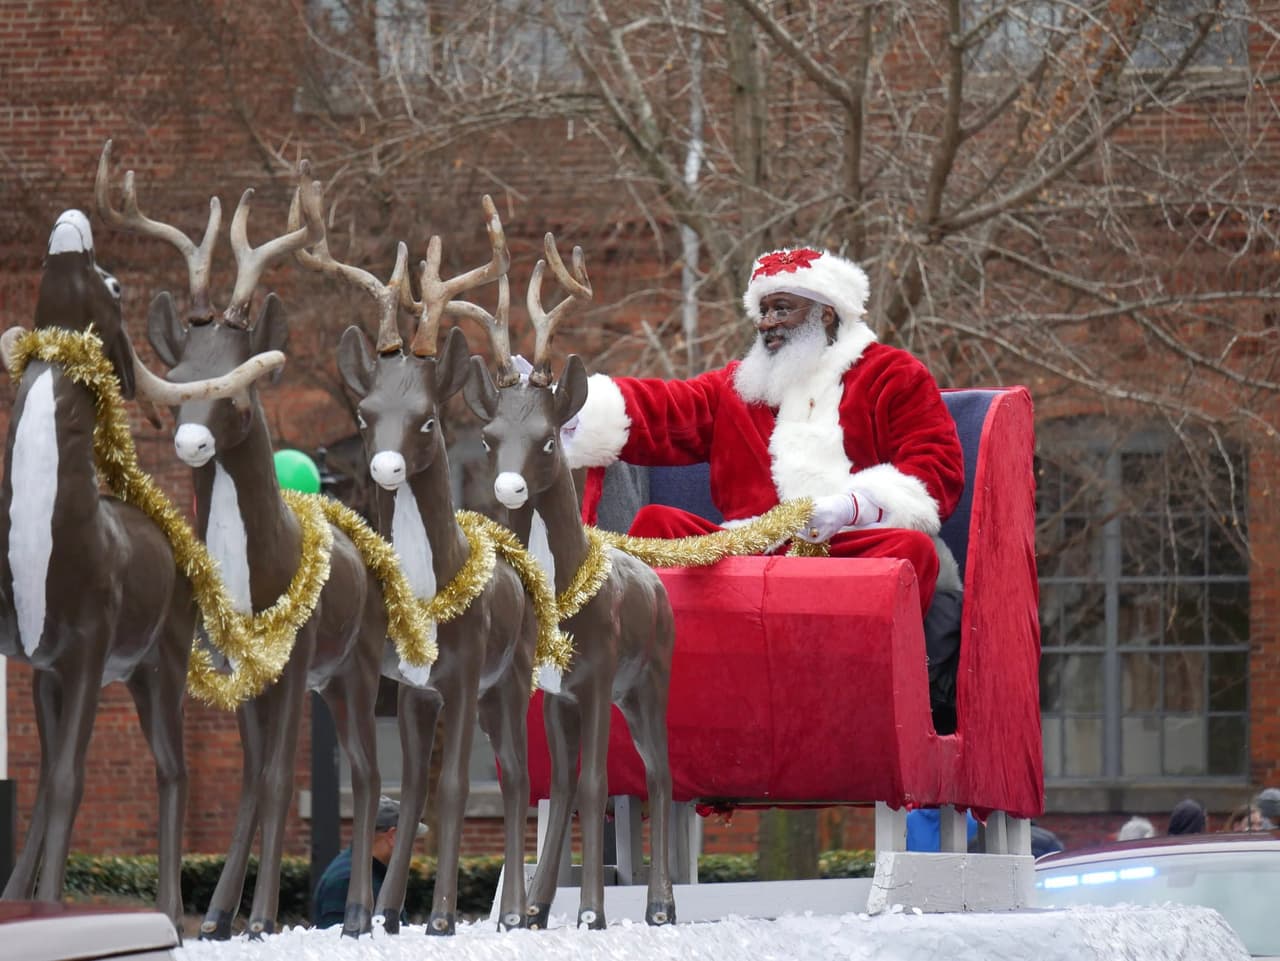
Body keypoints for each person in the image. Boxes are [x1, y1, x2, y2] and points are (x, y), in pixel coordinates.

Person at [566, 246, 965, 615]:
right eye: (763, 311)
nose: (767, 323)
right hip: (747, 550)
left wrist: (851, 507)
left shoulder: (893, 375)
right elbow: (666, 410)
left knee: (910, 548)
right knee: (658, 525)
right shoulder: (740, 387)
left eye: (782, 309)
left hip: (846, 546)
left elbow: (934, 468)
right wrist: (570, 403)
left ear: (825, 314)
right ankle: (671, 658)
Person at [311, 795, 427, 928]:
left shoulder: (365, 873)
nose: (413, 848)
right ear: (393, 836)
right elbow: (340, 938)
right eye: (411, 838)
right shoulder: (349, 881)